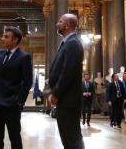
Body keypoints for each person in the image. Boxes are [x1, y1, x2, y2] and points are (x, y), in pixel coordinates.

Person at [48, 13, 84, 149]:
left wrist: (56, 93)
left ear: (67, 25)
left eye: (60, 21)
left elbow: (68, 72)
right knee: (68, 138)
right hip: (66, 100)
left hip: (69, 100)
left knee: (72, 138)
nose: (57, 23)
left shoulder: (73, 43)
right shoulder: (68, 42)